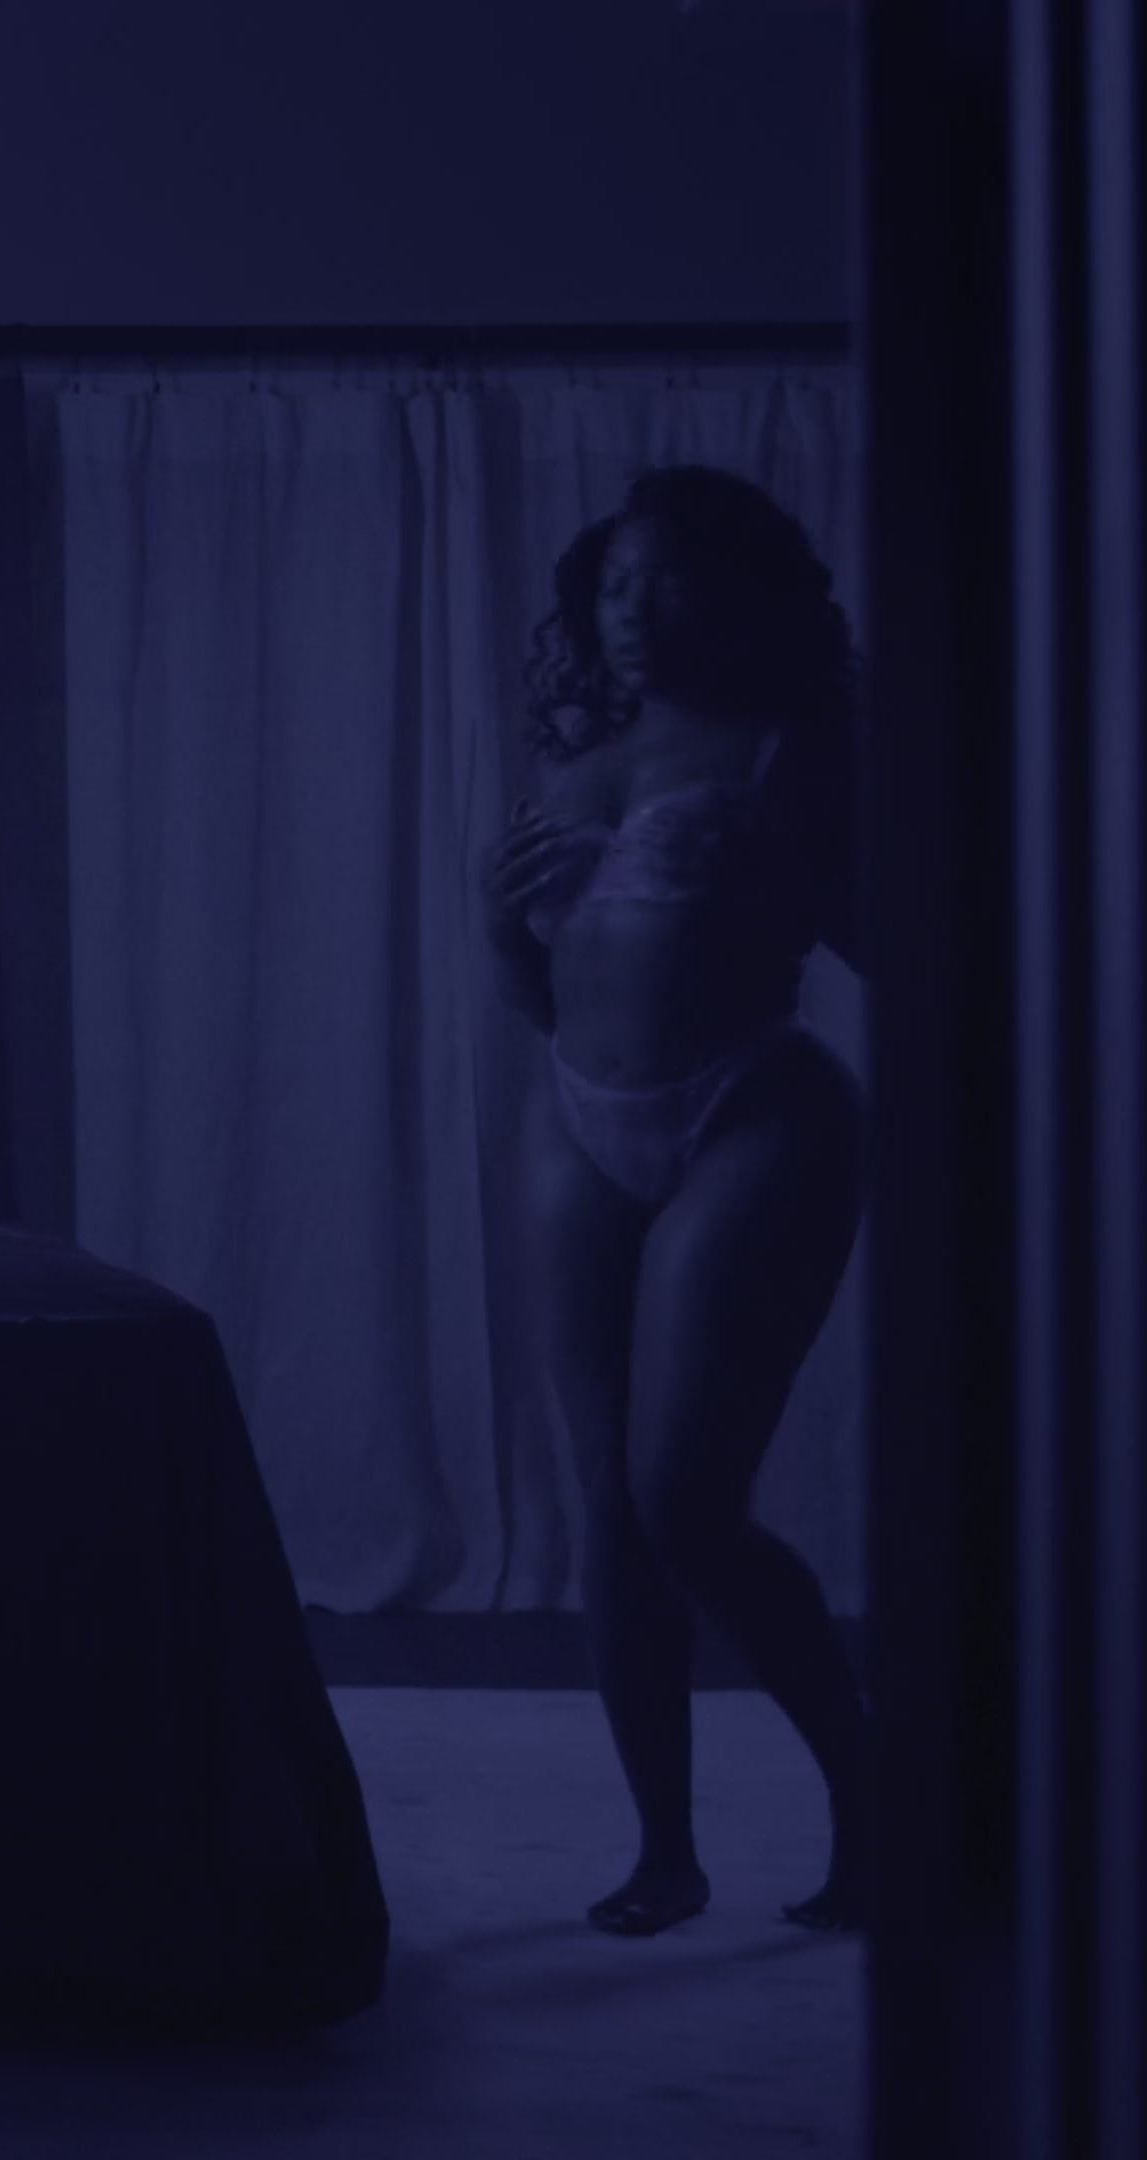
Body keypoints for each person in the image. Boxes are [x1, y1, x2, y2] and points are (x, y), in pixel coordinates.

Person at [479, 466, 870, 1937]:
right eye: (613, 583)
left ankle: (869, 1793)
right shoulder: (572, 759)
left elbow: (904, 940)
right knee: (607, 1504)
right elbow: (542, 994)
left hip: (754, 1111)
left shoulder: (787, 748)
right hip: (575, 1122)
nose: (633, 608)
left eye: (665, 578)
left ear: (730, 592)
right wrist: (493, 917)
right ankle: (665, 1854)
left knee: (686, 1502)